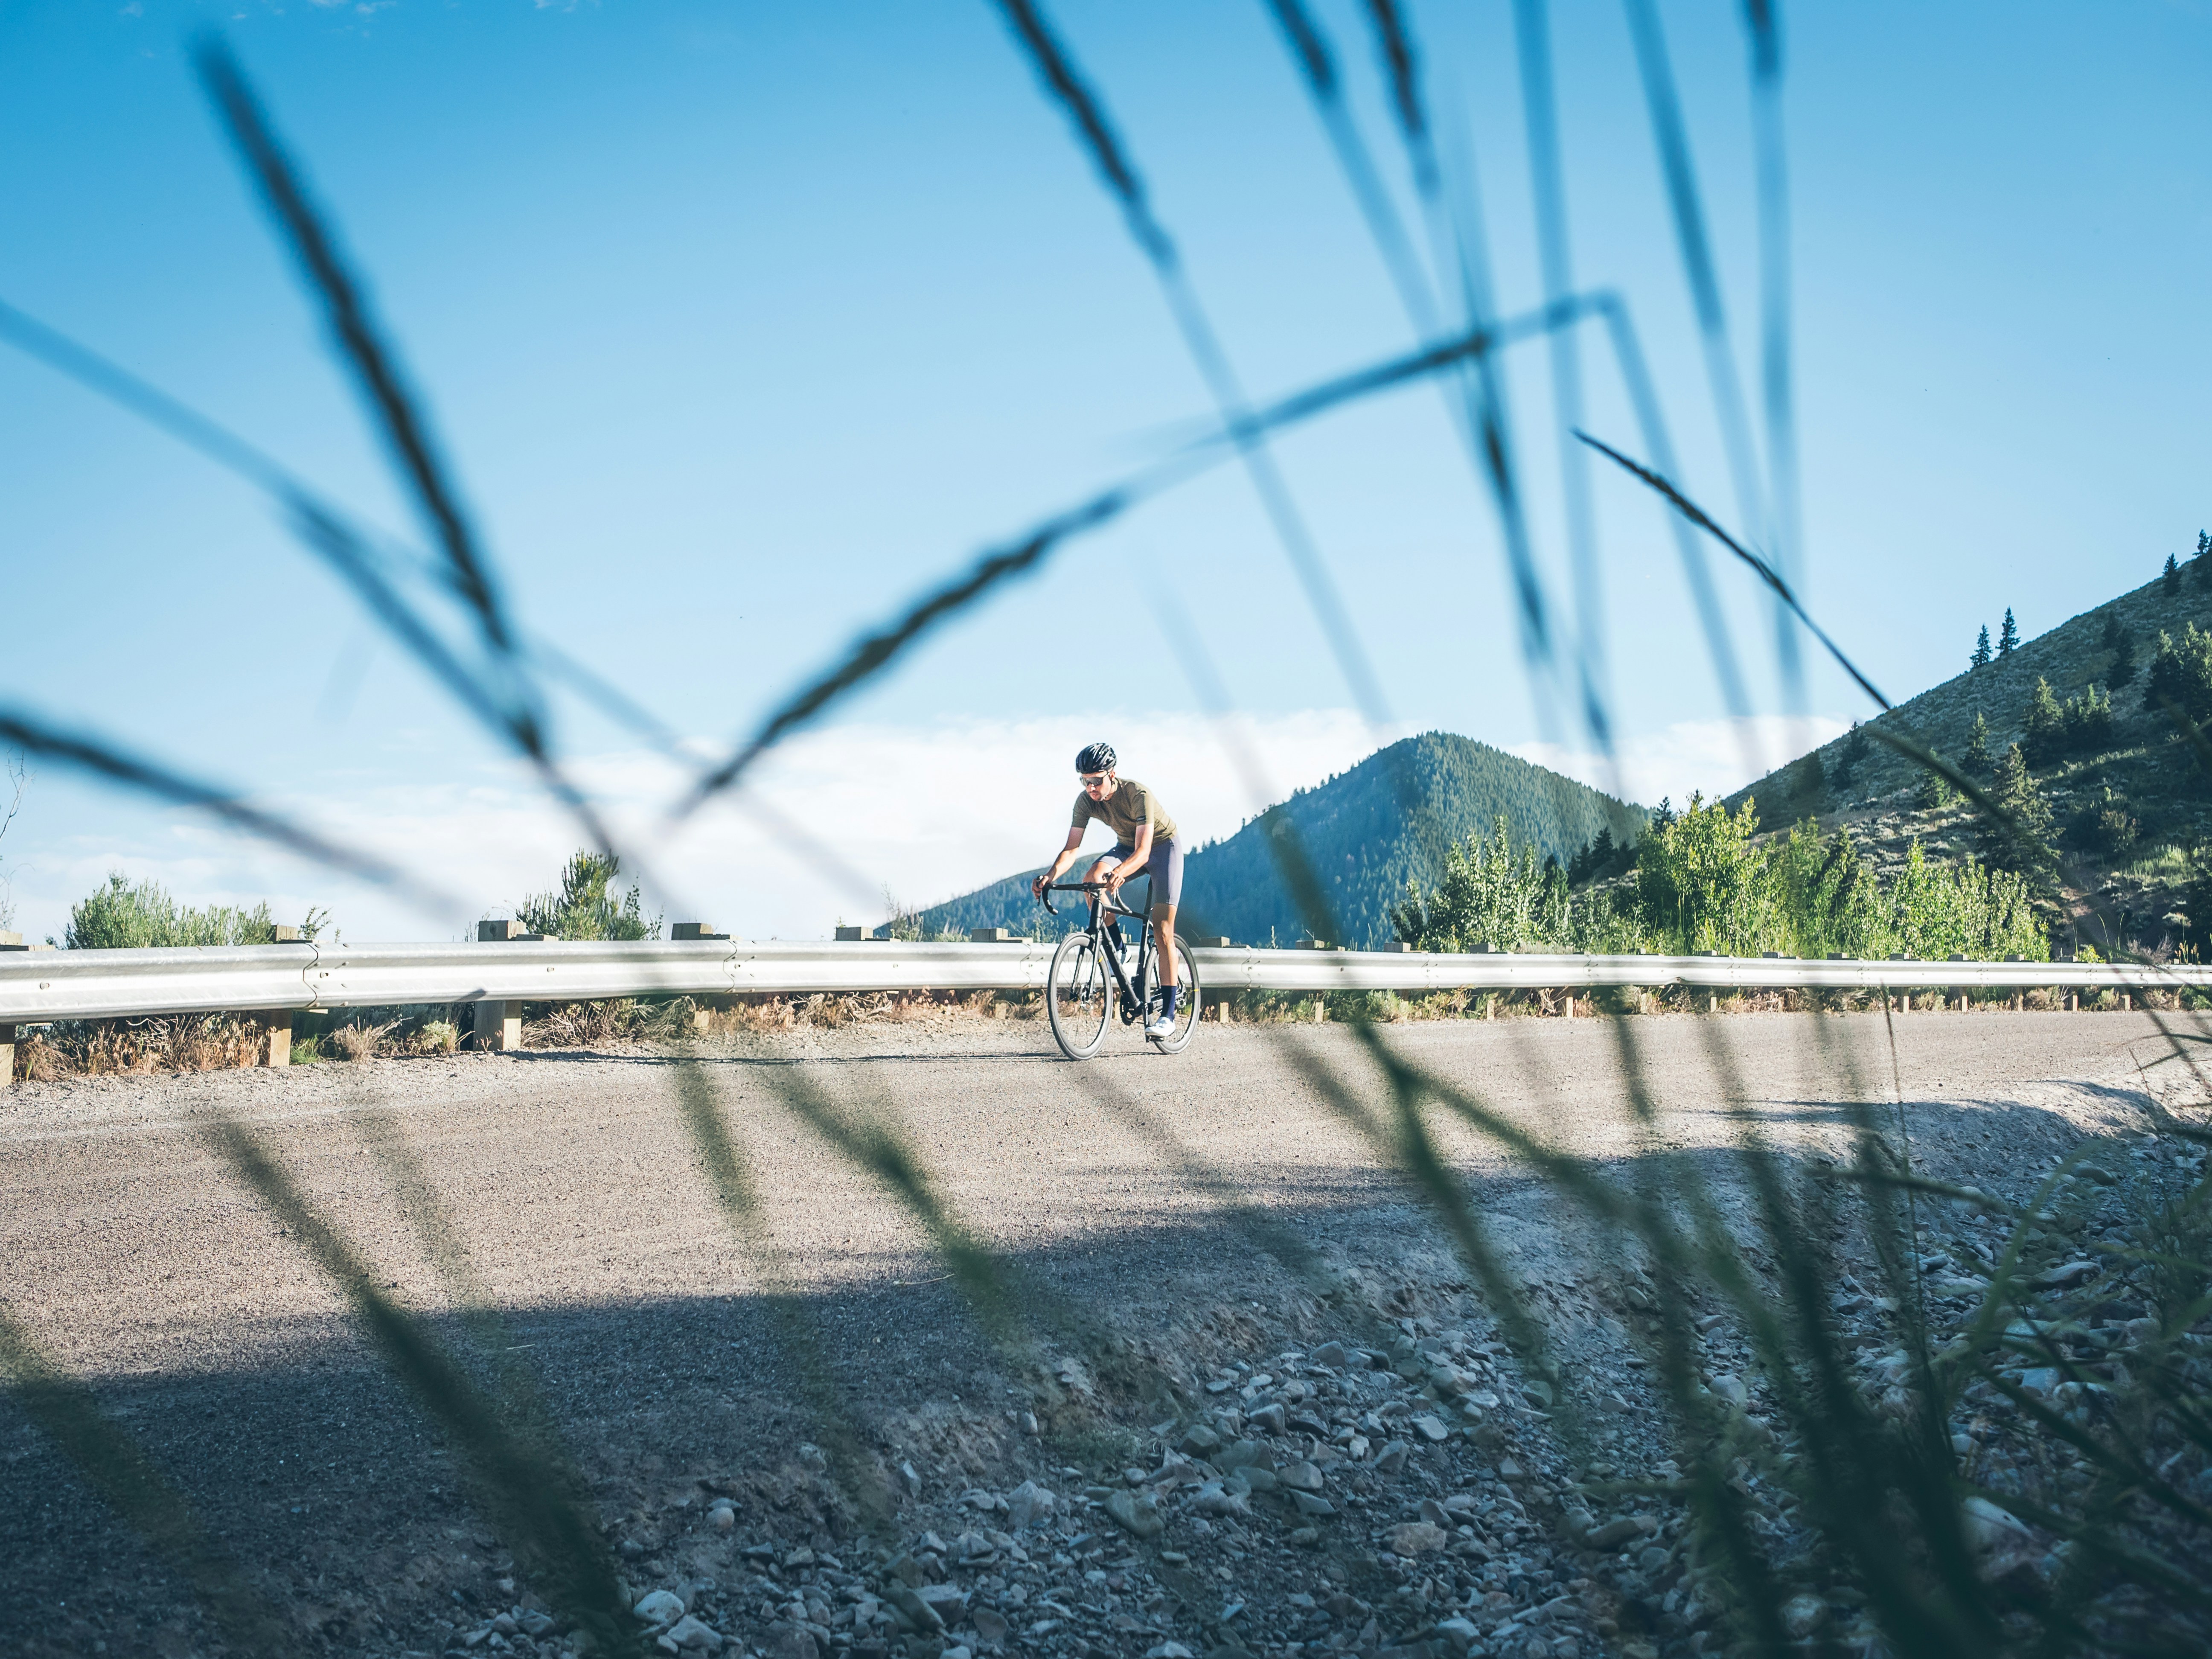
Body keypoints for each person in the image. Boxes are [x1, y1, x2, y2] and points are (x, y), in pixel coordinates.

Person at [1031, 742, 1184, 1038]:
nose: (1090, 788)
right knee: (1092, 880)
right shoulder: (1086, 801)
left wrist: (1121, 873)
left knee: (1163, 929)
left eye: (1096, 781)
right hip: (1127, 847)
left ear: (1112, 774)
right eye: (1085, 781)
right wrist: (1049, 876)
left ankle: (1168, 1016)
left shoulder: (1138, 794)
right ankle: (1118, 947)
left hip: (1163, 848)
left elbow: (1144, 852)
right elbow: (1072, 849)